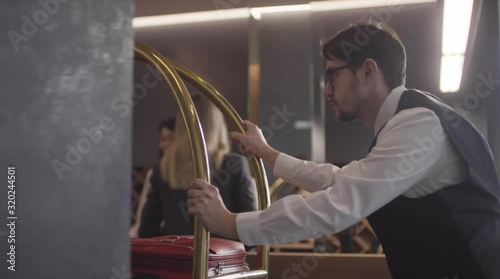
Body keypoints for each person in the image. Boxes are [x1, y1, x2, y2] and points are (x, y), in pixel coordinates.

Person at [187, 22, 500, 279]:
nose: (326, 91)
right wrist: (267, 153)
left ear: (367, 71)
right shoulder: (410, 119)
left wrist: (231, 224)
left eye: (332, 74)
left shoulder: (418, 124)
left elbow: (338, 204)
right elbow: (340, 180)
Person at [139, 96, 258, 239]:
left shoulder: (163, 166)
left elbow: (147, 230)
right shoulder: (234, 165)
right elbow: (250, 233)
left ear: (181, 124)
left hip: (175, 258)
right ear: (218, 126)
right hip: (220, 259)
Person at [129, 118, 176, 238]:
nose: (166, 144)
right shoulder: (155, 173)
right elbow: (144, 219)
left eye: (171, 138)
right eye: (163, 139)